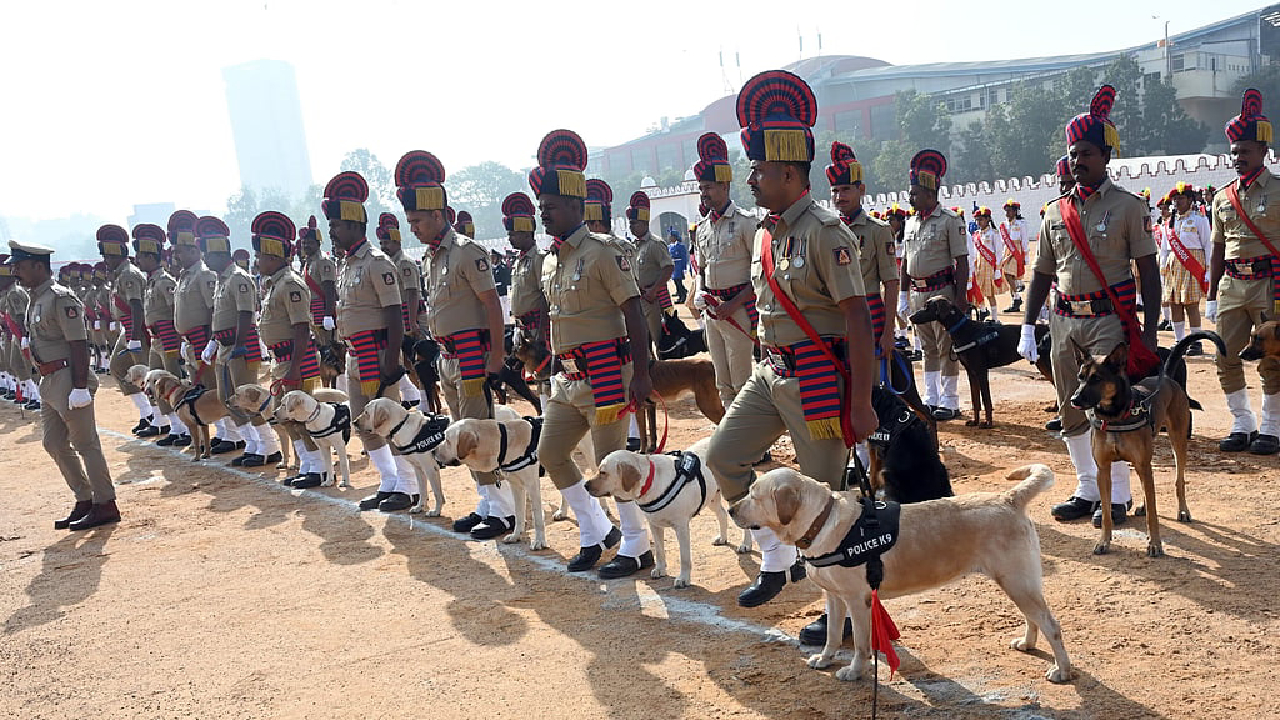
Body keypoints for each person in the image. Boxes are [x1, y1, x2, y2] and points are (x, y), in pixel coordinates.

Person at [704, 69, 877, 610]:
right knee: (723, 456)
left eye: (757, 171)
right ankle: (778, 562)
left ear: (785, 172)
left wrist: (864, 402)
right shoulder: (765, 233)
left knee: (825, 510)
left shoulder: (827, 232)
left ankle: (844, 619)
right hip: (770, 374)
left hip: (820, 383)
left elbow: (859, 319)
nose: (749, 180)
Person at [1018, 84, 1159, 527]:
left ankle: (1116, 496)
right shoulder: (1055, 211)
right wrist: (1027, 324)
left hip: (1106, 320)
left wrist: (1151, 329)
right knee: (1070, 404)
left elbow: (1148, 271)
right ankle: (1086, 487)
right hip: (1064, 321)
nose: (1078, 161)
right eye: (1073, 154)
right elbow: (1041, 271)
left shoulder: (1127, 207)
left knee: (1109, 405)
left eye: (1086, 153)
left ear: (1105, 157)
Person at [529, 128, 654, 576]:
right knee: (550, 453)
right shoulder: (550, 259)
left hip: (606, 373)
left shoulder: (604, 252)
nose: (544, 214)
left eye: (551, 207)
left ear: (576, 207)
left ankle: (638, 545)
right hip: (567, 378)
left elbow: (634, 311)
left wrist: (642, 373)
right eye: (541, 207)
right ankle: (596, 530)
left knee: (612, 467)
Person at [395, 152, 514, 533]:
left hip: (472, 356)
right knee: (460, 430)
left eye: (416, 221)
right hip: (448, 357)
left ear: (436, 214)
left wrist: (495, 358)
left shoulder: (466, 252)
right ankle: (487, 502)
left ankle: (503, 510)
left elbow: (492, 305)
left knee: (477, 431)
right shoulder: (432, 257)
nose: (412, 228)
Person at [10, 241, 119, 529]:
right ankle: (84, 498)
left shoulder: (60, 298)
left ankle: (105, 503)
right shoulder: (36, 297)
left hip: (69, 378)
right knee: (53, 442)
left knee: (85, 443)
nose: (15, 272)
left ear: (38, 266)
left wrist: (80, 387)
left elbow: (79, 343)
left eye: (19, 266)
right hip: (49, 380)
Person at [323, 171, 413, 510]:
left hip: (377, 354)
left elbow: (394, 314)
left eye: (336, 225)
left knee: (387, 423)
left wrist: (392, 361)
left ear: (354, 226)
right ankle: (390, 480)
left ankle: (409, 486)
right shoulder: (346, 265)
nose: (332, 230)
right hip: (354, 355)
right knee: (364, 424)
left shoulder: (377, 262)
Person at [1207, 88, 1280, 455]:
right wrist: (1209, 294)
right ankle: (1242, 423)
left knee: (1271, 356)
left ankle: (1271, 428)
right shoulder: (1222, 197)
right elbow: (1218, 247)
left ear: (1263, 152)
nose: (1237, 157)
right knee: (1225, 353)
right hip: (1232, 284)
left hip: (1271, 283)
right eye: (1234, 152)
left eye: (1245, 151)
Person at [251, 211, 327, 488]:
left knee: (302, 416)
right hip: (281, 361)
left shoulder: (291, 284)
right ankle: (307, 465)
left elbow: (301, 329)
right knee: (290, 419)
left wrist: (294, 369)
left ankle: (317, 469)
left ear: (273, 256)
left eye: (260, 256)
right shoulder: (275, 284)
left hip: (296, 362)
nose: (257, 262)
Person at [202, 216, 279, 468]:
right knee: (228, 398)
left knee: (248, 398)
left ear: (219, 254)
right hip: (225, 346)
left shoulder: (238, 277)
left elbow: (245, 313)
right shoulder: (222, 279)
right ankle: (252, 443)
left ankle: (268, 446)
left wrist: (238, 346)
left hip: (240, 346)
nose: (205, 260)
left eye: (207, 255)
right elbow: (220, 315)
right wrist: (214, 341)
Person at [689, 132, 758, 412]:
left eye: (709, 187)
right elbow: (701, 269)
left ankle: (752, 443)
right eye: (702, 188)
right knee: (722, 382)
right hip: (713, 312)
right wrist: (702, 293)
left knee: (742, 379)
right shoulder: (703, 228)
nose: (704, 193)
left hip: (737, 309)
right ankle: (733, 440)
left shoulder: (746, 223)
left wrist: (732, 305)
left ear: (725, 186)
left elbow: (760, 274)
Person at [902, 151, 969, 420]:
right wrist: (904, 295)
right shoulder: (910, 222)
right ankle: (930, 398)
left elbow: (961, 262)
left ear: (931, 194)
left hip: (942, 294)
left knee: (946, 348)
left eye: (916, 193)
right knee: (927, 348)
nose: (911, 198)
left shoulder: (949, 221)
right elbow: (905, 259)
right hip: (918, 293)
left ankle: (950, 401)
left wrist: (960, 297)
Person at [827, 140, 898, 364]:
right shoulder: (827, 231)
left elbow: (891, 283)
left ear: (861, 190)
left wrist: (888, 332)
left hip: (870, 316)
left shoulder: (879, 230)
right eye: (835, 191)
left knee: (871, 384)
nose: (840, 197)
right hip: (835, 319)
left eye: (846, 189)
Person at [132, 224, 188, 445]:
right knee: (155, 384)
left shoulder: (164, 282)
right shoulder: (151, 281)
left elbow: (175, 311)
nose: (137, 261)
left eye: (141, 256)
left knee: (171, 383)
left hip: (167, 338)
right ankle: (174, 426)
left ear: (150, 256)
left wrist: (177, 340)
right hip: (156, 339)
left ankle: (184, 427)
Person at [99, 224, 154, 434]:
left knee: (145, 373)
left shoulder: (128, 274)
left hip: (136, 329)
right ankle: (146, 412)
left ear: (116, 256)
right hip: (127, 329)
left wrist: (134, 337)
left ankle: (160, 418)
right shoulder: (120, 275)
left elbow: (136, 306)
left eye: (108, 257)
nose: (106, 261)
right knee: (117, 367)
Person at [504, 191, 551, 407]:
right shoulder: (518, 261)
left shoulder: (539, 259)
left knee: (544, 373)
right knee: (531, 374)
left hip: (536, 326)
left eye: (513, 234)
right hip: (522, 327)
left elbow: (544, 296)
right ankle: (541, 409)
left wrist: (541, 332)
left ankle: (548, 413)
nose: (510, 238)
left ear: (525, 232)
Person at [375, 213, 425, 411]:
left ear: (396, 241)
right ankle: (413, 394)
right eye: (381, 242)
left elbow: (412, 293)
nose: (384, 246)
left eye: (387, 241)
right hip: (398, 318)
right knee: (403, 360)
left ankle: (425, 401)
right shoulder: (387, 263)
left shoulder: (404, 263)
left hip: (411, 315)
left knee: (417, 362)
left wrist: (412, 323)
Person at [1163, 182, 1211, 356]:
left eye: (1181, 198)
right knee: (1175, 304)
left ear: (1190, 200)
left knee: (1191, 305)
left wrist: (1208, 271)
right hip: (1174, 264)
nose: (1177, 202)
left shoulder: (1200, 220)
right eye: (1175, 199)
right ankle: (1179, 341)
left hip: (1193, 264)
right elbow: (1165, 249)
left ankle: (1196, 341)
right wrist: (1163, 268)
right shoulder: (1169, 223)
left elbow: (1208, 245)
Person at [628, 191, 674, 357]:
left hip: (654, 300)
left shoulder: (655, 244)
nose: (631, 227)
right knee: (642, 341)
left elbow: (668, 268)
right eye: (630, 223)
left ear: (644, 223)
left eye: (634, 223)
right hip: (640, 299)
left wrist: (654, 290)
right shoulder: (633, 246)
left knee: (660, 340)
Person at [970, 206, 1002, 321]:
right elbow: (974, 252)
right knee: (978, 290)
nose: (979, 222)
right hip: (978, 265)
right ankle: (983, 310)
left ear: (988, 219)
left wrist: (998, 269)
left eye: (981, 219)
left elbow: (998, 252)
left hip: (989, 266)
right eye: (977, 220)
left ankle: (994, 317)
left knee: (989, 293)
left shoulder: (994, 233)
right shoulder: (976, 234)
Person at [1000, 199, 1030, 313]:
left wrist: (1025, 257)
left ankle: (1017, 298)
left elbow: (1024, 239)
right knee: (1008, 275)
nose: (1007, 213)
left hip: (1017, 250)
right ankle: (1015, 299)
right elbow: (1003, 241)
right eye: (1006, 211)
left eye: (1010, 211)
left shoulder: (1021, 224)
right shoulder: (1004, 225)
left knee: (1009, 274)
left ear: (1015, 212)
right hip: (1007, 250)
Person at [668, 230, 689, 304]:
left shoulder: (680, 246)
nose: (670, 238)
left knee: (679, 282)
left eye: (671, 236)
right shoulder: (670, 246)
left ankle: (682, 297)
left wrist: (684, 268)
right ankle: (681, 295)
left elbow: (683, 257)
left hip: (679, 266)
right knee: (676, 282)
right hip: (673, 266)